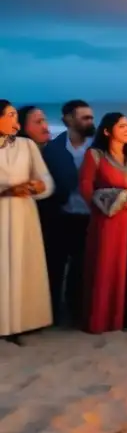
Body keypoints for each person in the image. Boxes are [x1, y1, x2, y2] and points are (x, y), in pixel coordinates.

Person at [79, 113, 127, 334]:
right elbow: (86, 186)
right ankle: (105, 319)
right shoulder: (94, 155)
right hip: (109, 219)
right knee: (108, 265)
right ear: (107, 131)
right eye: (122, 126)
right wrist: (104, 204)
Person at [0, 100, 55, 344]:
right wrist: (6, 190)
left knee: (23, 266)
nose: (16, 121)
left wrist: (37, 185)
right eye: (11, 115)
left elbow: (45, 178)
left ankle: (23, 322)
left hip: (24, 213)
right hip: (3, 211)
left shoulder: (26, 145)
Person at [40, 100, 95, 326]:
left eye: (91, 117)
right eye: (85, 117)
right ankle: (50, 313)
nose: (90, 121)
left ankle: (76, 311)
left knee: (82, 268)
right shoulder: (52, 148)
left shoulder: (98, 146)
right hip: (61, 216)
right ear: (68, 119)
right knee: (55, 266)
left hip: (89, 216)